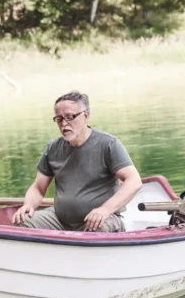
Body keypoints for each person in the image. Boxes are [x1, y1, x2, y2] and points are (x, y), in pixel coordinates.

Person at [12, 91, 142, 232]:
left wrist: (105, 210)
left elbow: (134, 181)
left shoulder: (108, 144)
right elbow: (38, 187)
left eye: (70, 117)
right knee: (22, 221)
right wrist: (28, 205)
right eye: (59, 119)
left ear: (85, 116)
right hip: (60, 219)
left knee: (98, 228)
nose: (64, 124)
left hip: (102, 219)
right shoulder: (53, 148)